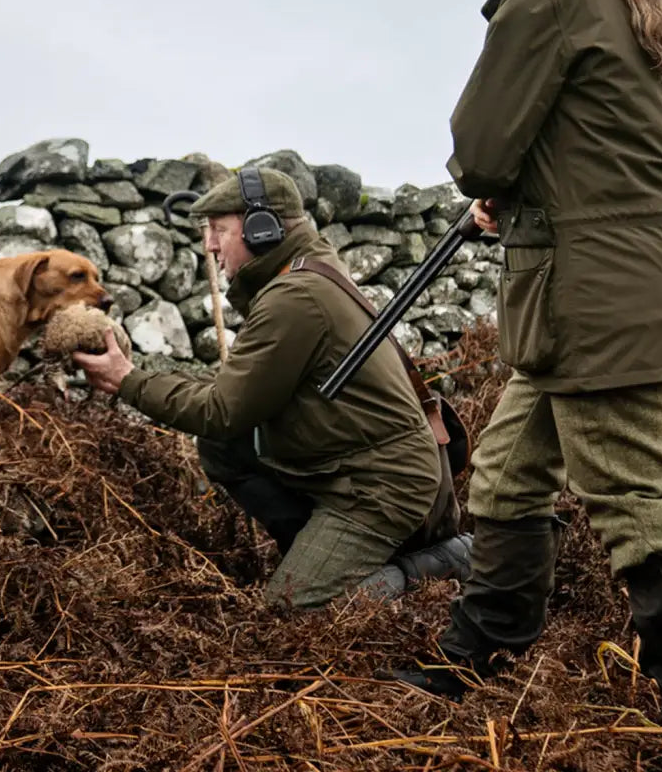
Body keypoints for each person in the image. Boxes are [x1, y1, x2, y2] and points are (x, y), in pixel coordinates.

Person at [392, 0, 662, 730]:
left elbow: (478, 149)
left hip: (596, 291)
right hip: (592, 285)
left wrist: (497, 184)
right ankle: (479, 661)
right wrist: (525, 194)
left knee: (633, 496)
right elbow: (599, 145)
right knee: (508, 476)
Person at [74, 167, 472, 609]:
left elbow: (221, 409)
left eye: (218, 230)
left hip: (379, 484)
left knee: (293, 611)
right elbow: (231, 417)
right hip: (353, 465)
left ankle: (440, 564)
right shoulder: (304, 270)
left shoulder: (294, 297)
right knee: (225, 447)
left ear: (263, 231)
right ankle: (312, 554)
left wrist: (127, 380)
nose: (208, 245)